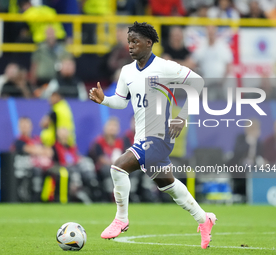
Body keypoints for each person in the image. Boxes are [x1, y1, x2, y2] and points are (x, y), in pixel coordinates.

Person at [89, 21, 216, 249]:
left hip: (160, 135)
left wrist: (182, 116)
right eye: (128, 41)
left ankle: (121, 219)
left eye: (135, 41)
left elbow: (198, 82)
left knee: (118, 167)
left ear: (148, 43)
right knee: (169, 185)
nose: (130, 46)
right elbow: (121, 100)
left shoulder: (165, 67)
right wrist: (105, 100)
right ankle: (204, 219)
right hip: (142, 137)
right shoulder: (126, 71)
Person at [88, 117, 124, 201]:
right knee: (108, 169)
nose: (112, 128)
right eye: (110, 125)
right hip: (102, 169)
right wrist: (113, 164)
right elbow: (100, 158)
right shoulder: (99, 141)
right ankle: (109, 195)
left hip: (118, 167)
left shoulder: (120, 142)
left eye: (115, 126)